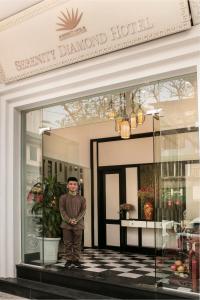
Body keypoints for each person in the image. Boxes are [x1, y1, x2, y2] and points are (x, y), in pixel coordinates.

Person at [59, 177, 86, 269]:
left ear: (77, 186)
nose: (73, 186)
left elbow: (83, 211)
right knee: (67, 243)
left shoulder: (82, 199)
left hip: (78, 225)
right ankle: (69, 260)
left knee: (77, 243)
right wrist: (69, 220)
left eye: (74, 184)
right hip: (66, 225)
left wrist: (76, 220)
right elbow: (62, 210)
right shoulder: (63, 198)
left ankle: (76, 260)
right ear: (67, 185)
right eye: (70, 184)